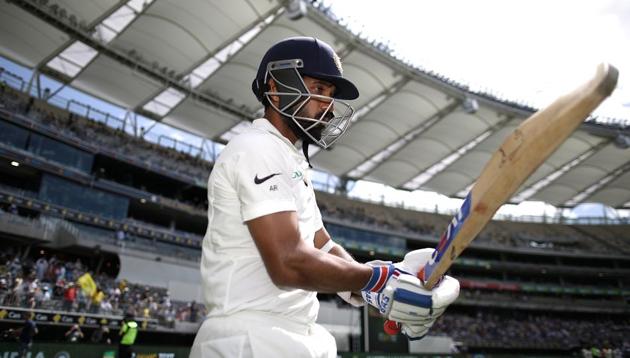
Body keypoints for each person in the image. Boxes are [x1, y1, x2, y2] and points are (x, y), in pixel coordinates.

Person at [189, 37, 460, 358]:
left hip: (294, 333)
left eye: (329, 95)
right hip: (250, 335)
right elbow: (288, 262)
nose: (327, 105)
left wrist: (385, 284)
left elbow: (322, 245)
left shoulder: (291, 160)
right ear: (276, 87)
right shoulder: (255, 147)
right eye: (318, 89)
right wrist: (378, 280)